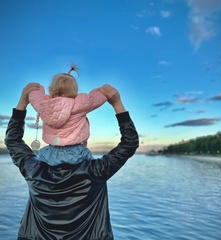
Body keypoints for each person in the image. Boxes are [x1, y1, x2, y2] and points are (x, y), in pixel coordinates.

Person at [5, 83, 139, 240]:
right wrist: (117, 104)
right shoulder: (97, 171)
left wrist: (22, 102)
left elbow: (13, 140)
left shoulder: (33, 169)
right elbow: (129, 143)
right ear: (84, 138)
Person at [28, 65, 107, 166]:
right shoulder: (80, 103)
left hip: (49, 152)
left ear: (51, 89)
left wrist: (38, 88)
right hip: (77, 152)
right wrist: (102, 90)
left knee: (46, 175)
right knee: (94, 173)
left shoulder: (44, 105)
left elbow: (35, 96)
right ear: (75, 91)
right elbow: (94, 99)